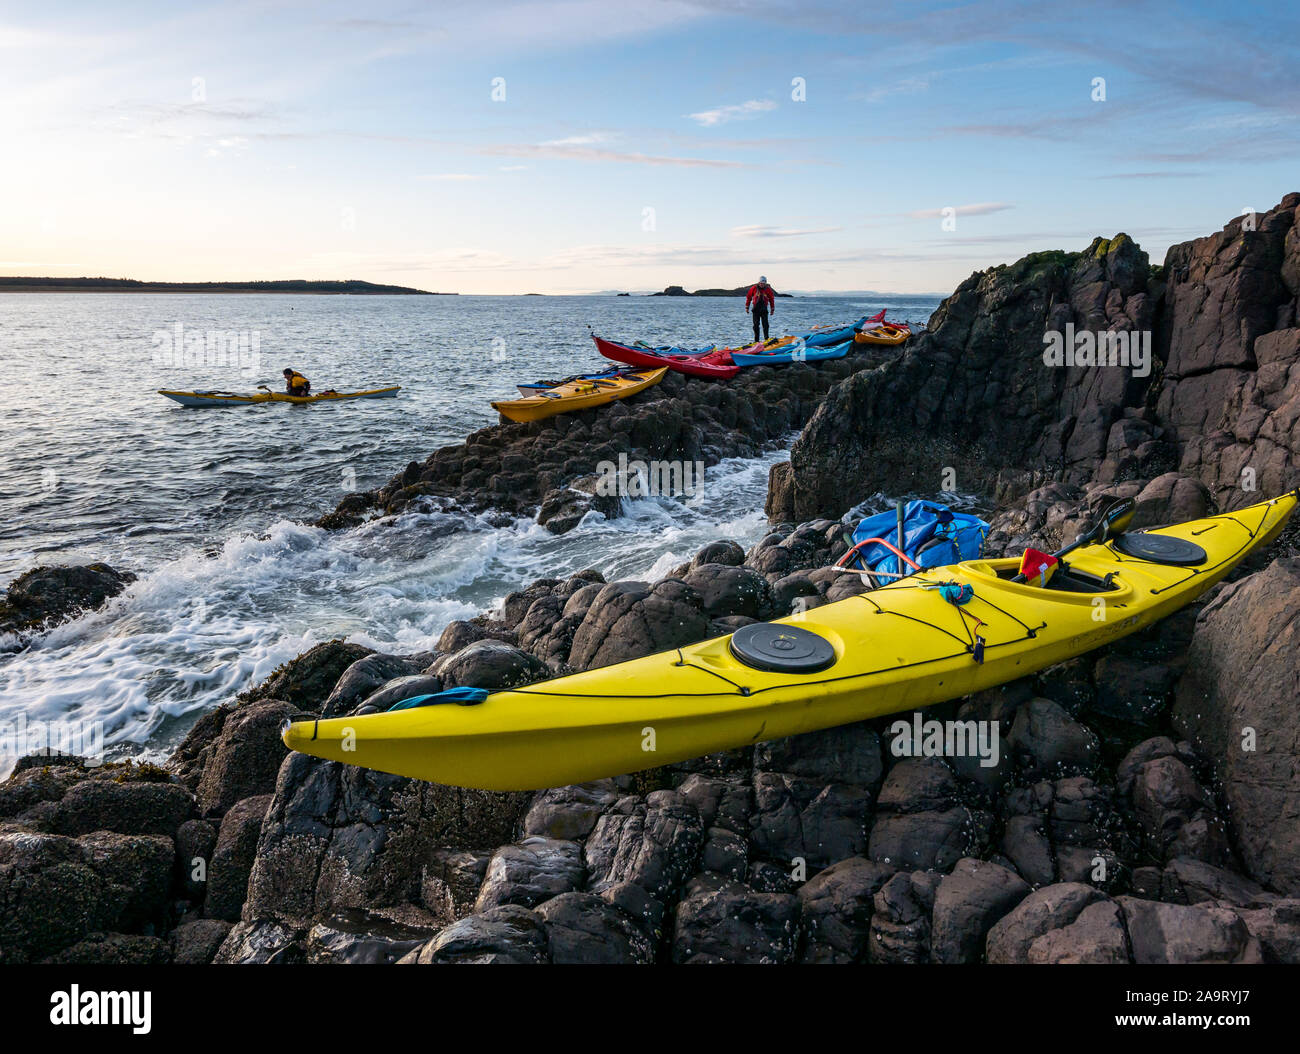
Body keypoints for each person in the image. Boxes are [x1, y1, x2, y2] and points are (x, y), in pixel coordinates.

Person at [745, 276, 776, 343]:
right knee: (756, 325)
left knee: (766, 325)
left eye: (763, 283)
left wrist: (772, 309)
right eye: (761, 283)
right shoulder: (753, 288)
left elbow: (771, 299)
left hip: (764, 310)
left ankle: (766, 339)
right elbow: (749, 297)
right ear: (759, 282)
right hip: (756, 310)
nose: (762, 284)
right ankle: (756, 341)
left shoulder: (768, 289)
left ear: (765, 283)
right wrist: (747, 307)